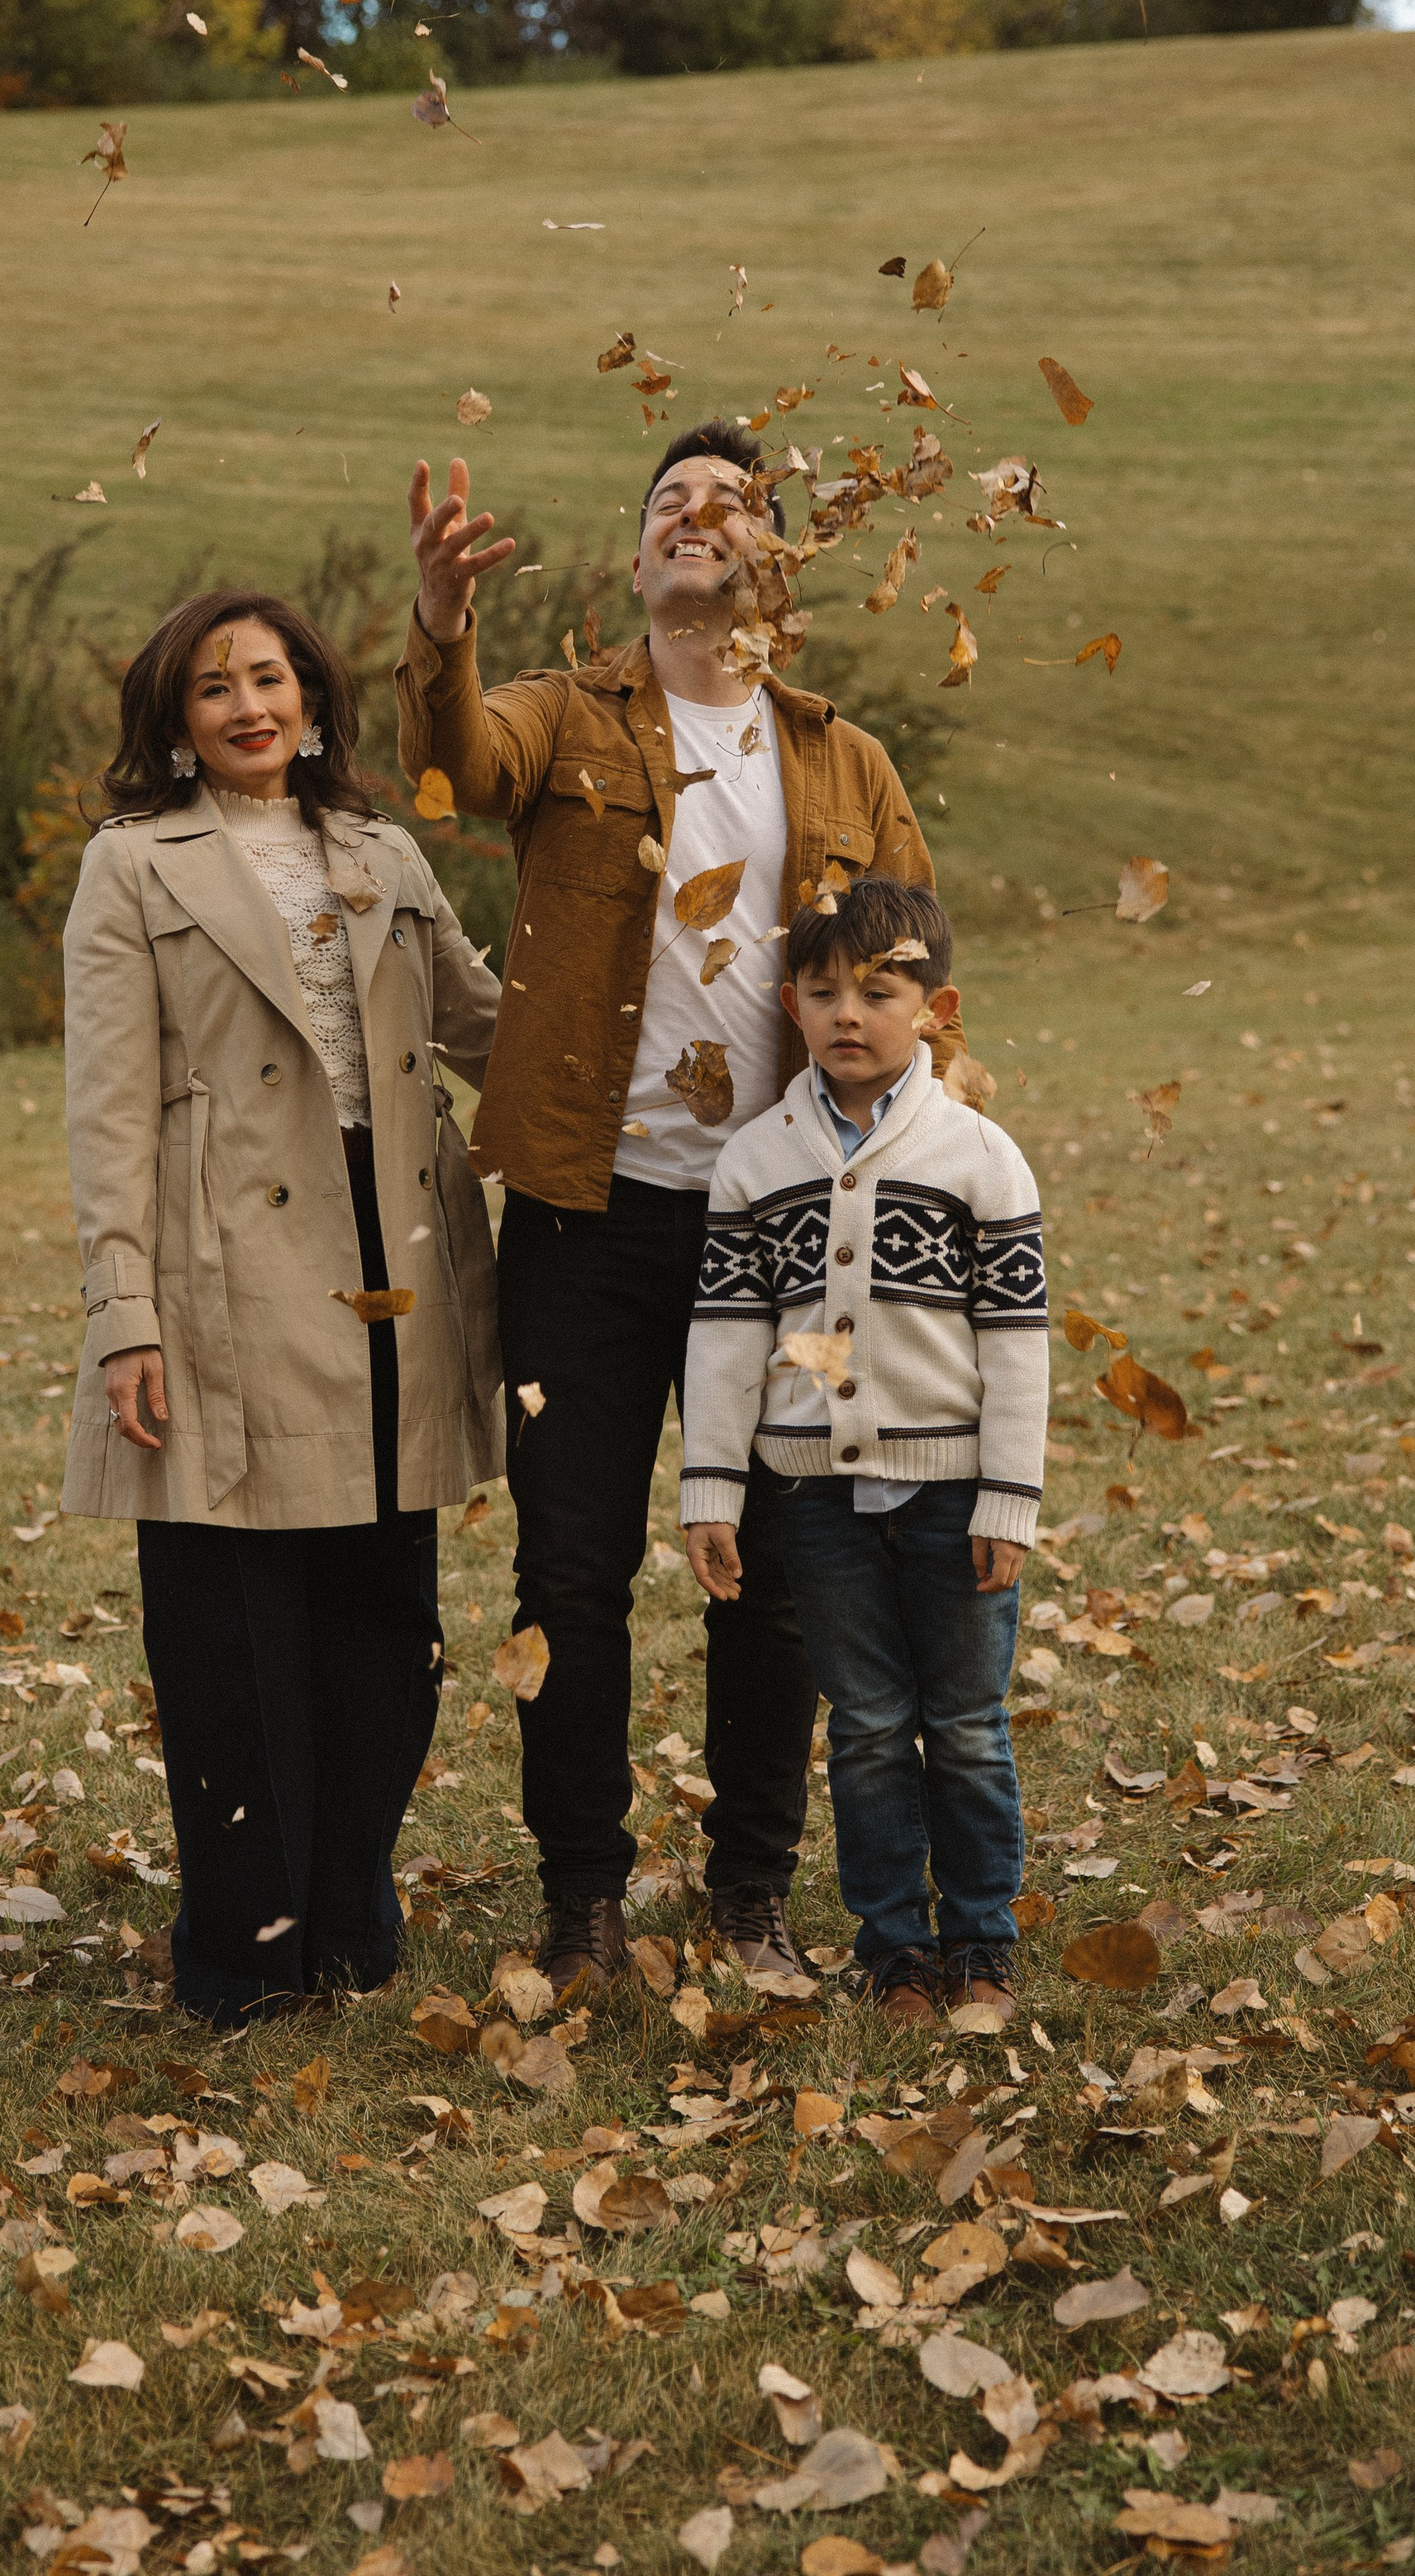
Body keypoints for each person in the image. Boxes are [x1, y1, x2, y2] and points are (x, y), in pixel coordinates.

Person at [398, 418, 953, 2000]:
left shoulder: (844, 760)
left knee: (777, 1571)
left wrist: (922, 1163)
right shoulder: (566, 718)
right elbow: (454, 764)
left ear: (775, 558)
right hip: (591, 1215)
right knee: (568, 1573)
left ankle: (751, 1901)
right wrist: (441, 626)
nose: (695, 518)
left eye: (731, 504)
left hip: (787, 1231)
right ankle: (583, 1907)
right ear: (637, 560)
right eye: (668, 504)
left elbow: (917, 983)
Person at [60, 588, 503, 2030]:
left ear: (314, 698)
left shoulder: (385, 853)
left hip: (398, 1260)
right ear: (175, 723)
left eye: (272, 678)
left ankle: (352, 1927)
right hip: (224, 1274)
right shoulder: (131, 868)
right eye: (213, 688)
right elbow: (108, 1108)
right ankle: (243, 1953)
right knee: (232, 1638)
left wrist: (687, 1043)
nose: (250, 705)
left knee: (385, 1624)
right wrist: (124, 1307)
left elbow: (493, 1028)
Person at [679, 877, 1047, 2031]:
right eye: (825, 991)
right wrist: (713, 1486)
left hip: (955, 1503)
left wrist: (1009, 1499)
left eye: (877, 992)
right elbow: (729, 1339)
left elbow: (1019, 1343)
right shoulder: (758, 1161)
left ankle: (982, 1938)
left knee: (970, 1726)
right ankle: (893, 1951)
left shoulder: (979, 1158)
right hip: (821, 1502)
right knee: (873, 1726)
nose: (849, 1014)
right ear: (790, 1003)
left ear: (934, 1008)